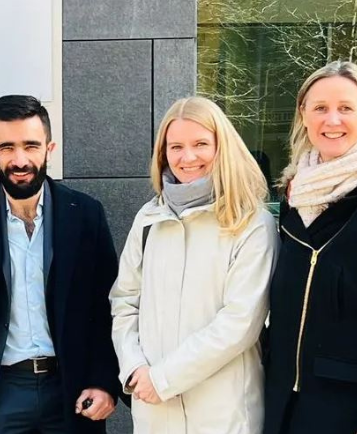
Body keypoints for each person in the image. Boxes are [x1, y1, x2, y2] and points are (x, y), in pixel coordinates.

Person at [0, 95, 123, 434]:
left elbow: (109, 305)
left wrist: (104, 380)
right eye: (6, 147)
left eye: (31, 146)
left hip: (70, 392)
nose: (20, 160)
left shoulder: (85, 215)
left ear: (50, 148)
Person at [264, 61, 357, 434]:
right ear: (303, 115)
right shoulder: (294, 195)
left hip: (352, 408)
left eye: (345, 108)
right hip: (282, 404)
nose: (332, 120)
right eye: (320, 108)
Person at [110, 96, 278, 433]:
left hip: (224, 413)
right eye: (176, 147)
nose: (187, 157)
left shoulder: (251, 222)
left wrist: (163, 378)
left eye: (201, 144)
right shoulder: (149, 218)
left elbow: (240, 321)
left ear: (221, 147)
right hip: (155, 413)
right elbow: (125, 301)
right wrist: (134, 368)